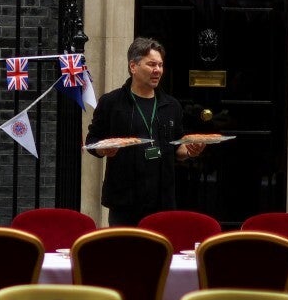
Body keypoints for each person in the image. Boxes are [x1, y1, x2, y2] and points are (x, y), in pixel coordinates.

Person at [85, 37, 204, 226]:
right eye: (151, 64)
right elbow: (92, 140)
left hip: (162, 200)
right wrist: (103, 149)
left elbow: (177, 148)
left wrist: (189, 150)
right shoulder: (111, 102)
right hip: (124, 200)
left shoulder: (171, 105)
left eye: (160, 65)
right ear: (133, 66)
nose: (157, 70)